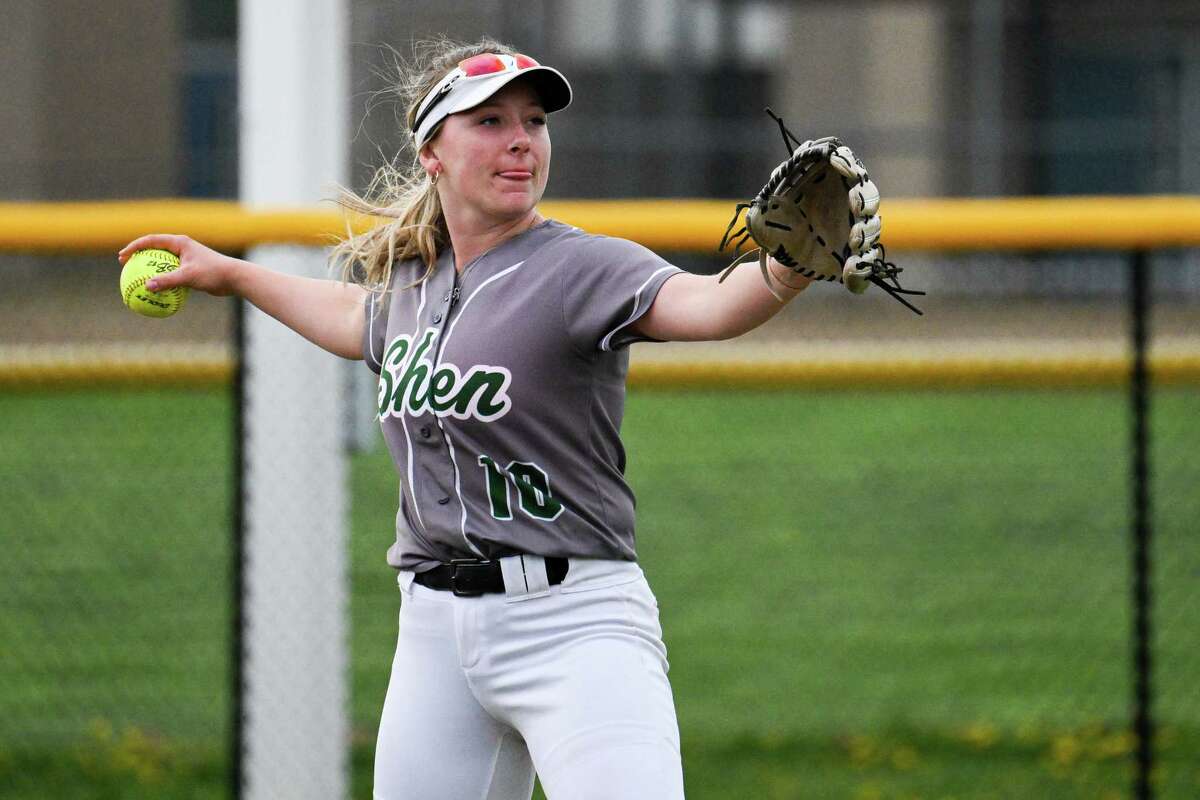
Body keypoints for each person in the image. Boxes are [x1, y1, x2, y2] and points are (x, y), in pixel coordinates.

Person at [118, 36, 811, 800]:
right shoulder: (412, 280)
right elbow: (355, 318)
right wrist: (230, 273)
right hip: (434, 635)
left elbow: (710, 305)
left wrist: (788, 265)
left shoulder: (584, 266)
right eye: (488, 121)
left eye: (534, 121)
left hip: (574, 623)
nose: (520, 139)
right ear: (432, 153)